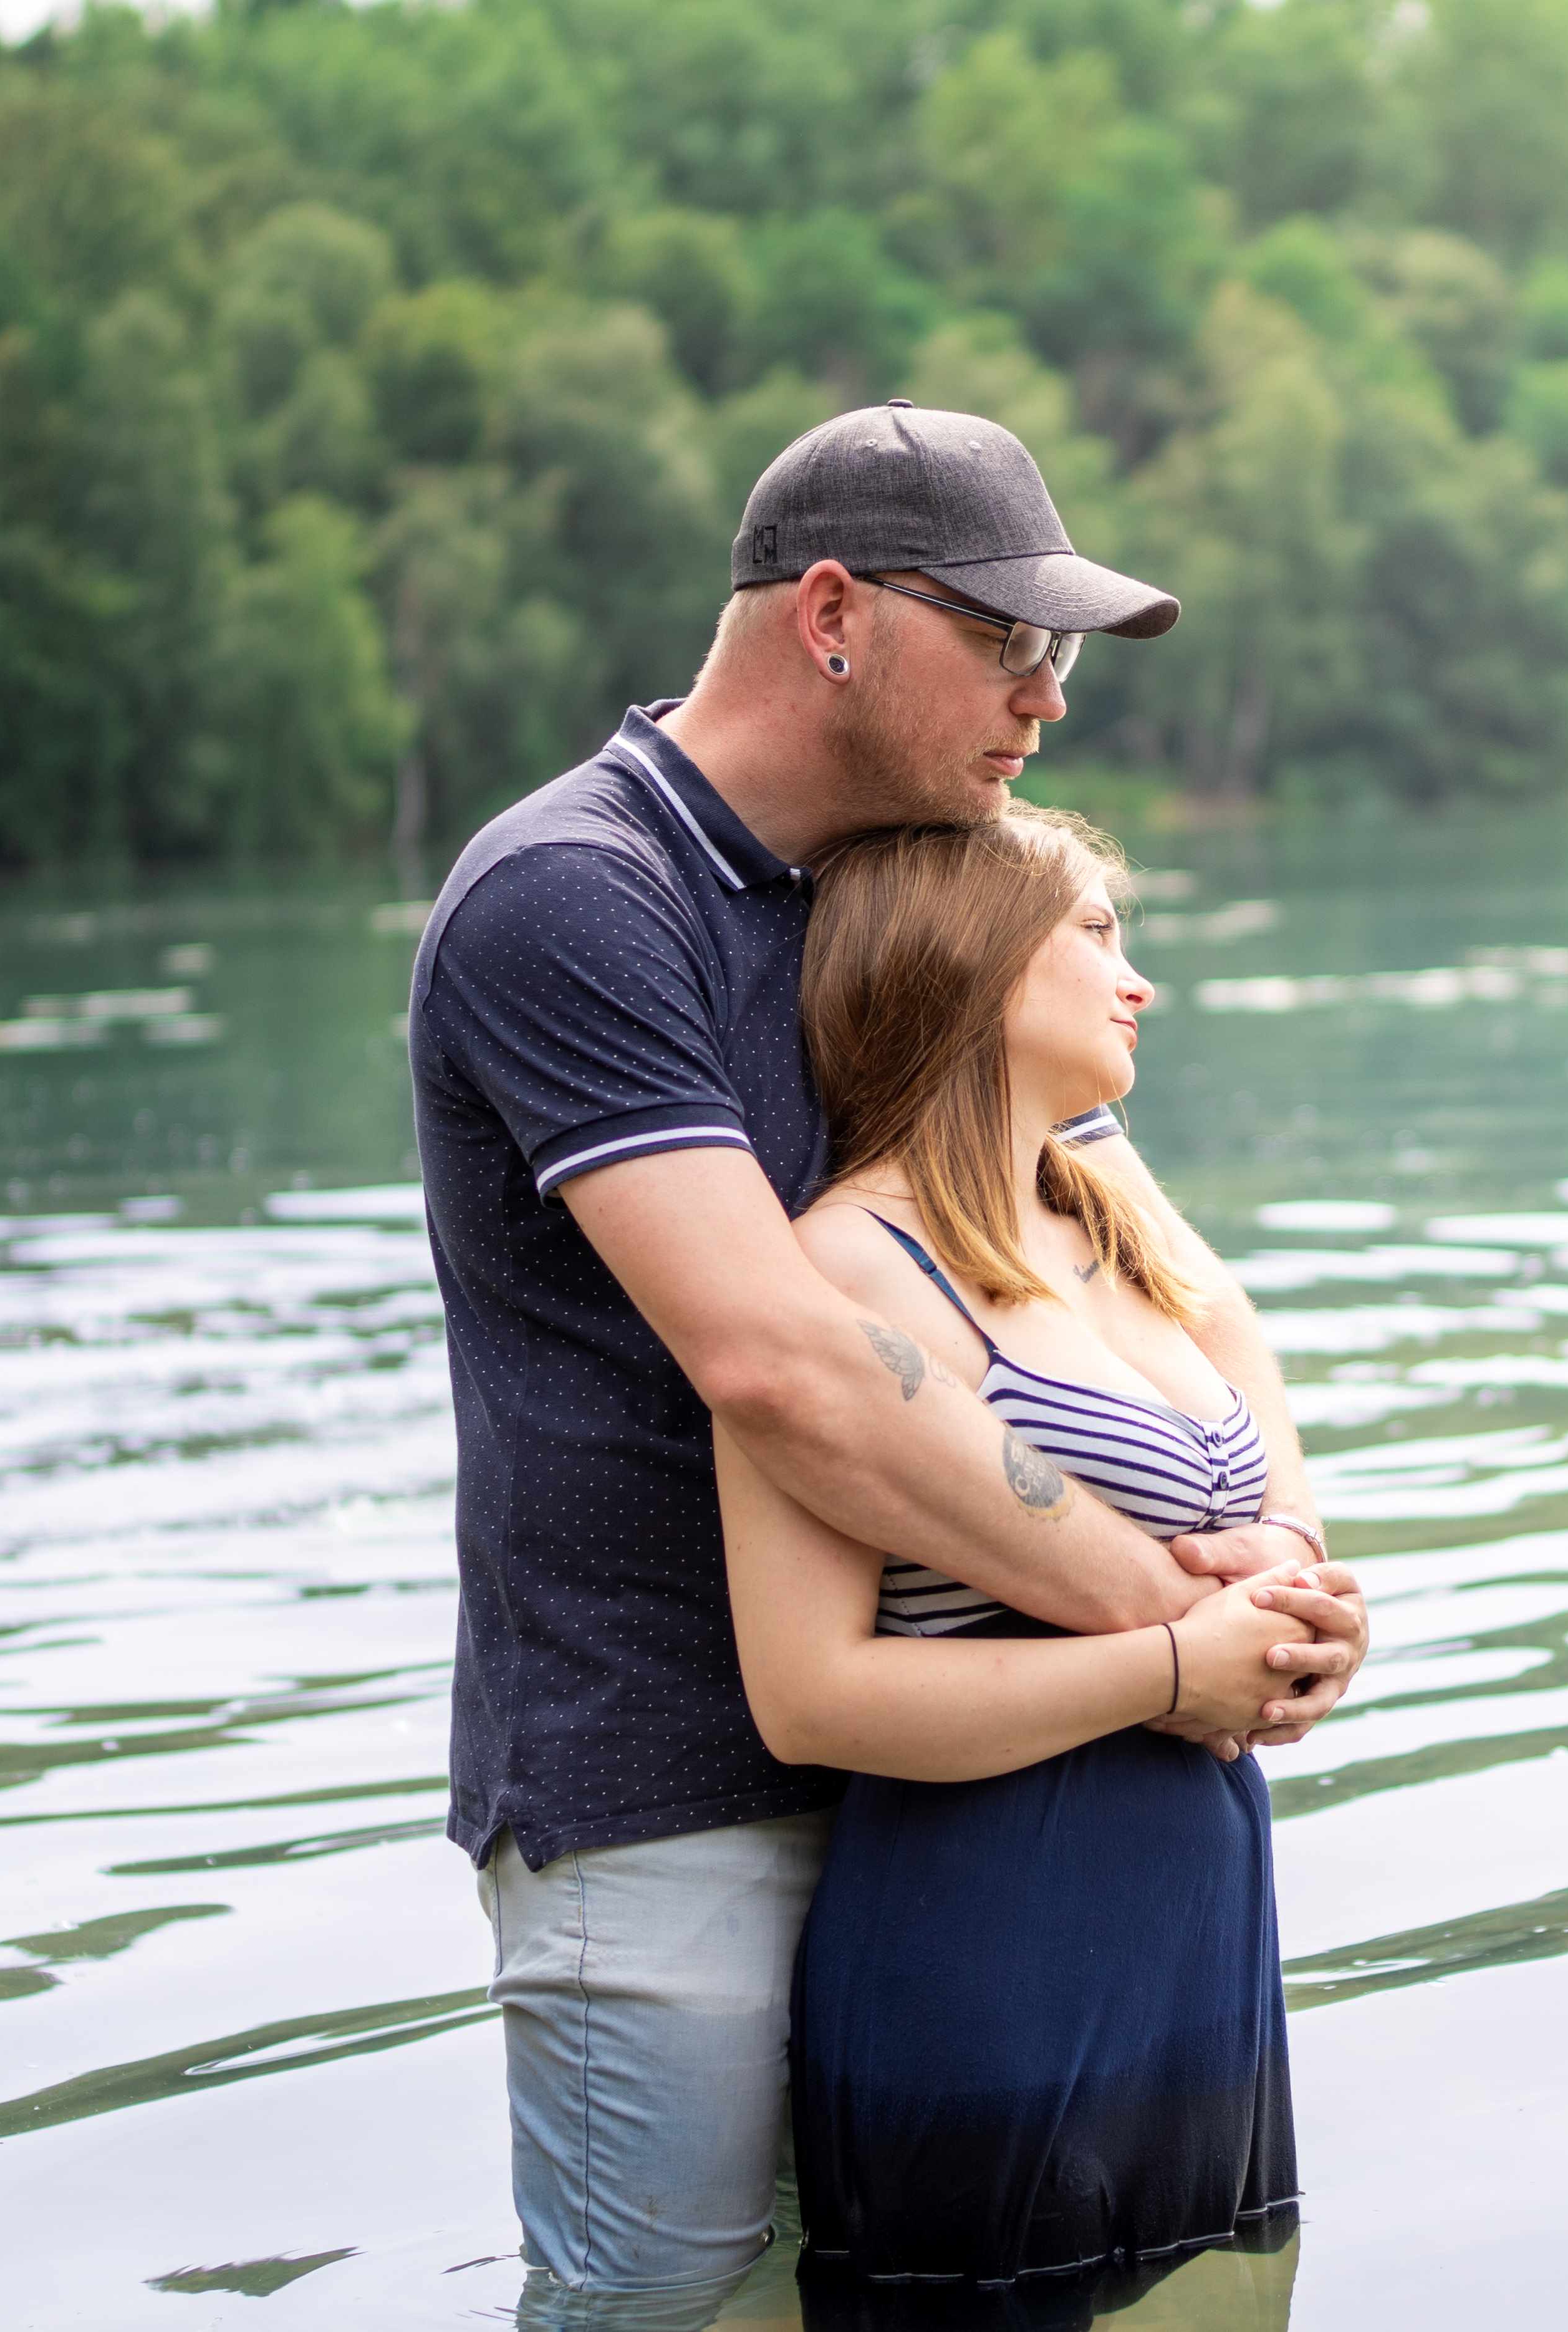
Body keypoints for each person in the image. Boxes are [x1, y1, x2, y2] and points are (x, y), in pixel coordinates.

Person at [406, 402, 1368, 2323]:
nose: (1049, 698)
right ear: (832, 615)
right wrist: (1178, 1646)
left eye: (1063, 654)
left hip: (953, 1798)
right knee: (672, 2316)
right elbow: (784, 1363)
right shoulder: (578, 896)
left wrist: (1287, 1554)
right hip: (659, 1792)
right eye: (1010, 641)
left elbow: (1153, 1261)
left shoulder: (931, 876)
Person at [724, 807, 1309, 2324]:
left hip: (1201, 1919)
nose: (1141, 980)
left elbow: (1256, 1425)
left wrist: (1309, 1596)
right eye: (1099, 933)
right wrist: (1180, 1665)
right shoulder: (846, 1267)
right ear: (974, 964)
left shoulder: (1106, 1225)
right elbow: (811, 1697)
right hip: (995, 1943)